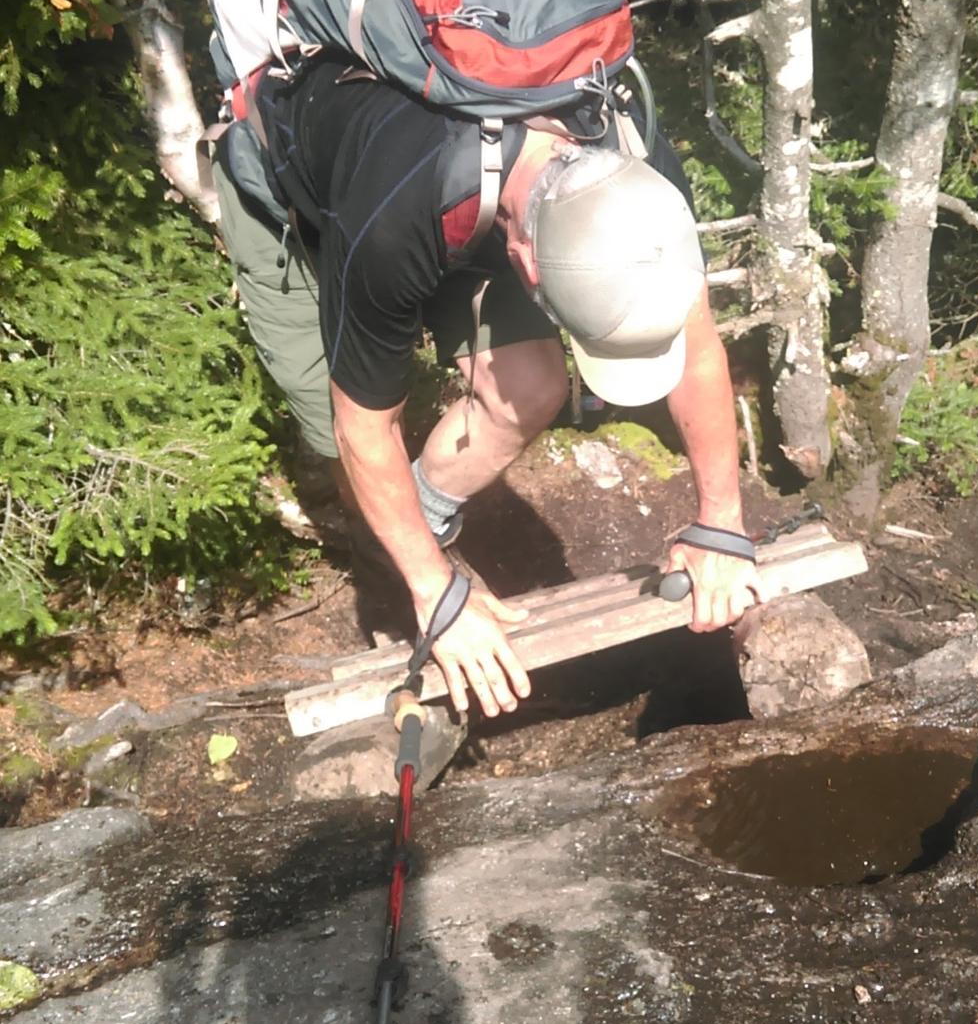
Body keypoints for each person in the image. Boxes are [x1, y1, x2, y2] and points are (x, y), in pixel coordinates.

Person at [214, 54, 763, 719]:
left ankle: (419, 524)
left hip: (475, 197)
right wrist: (437, 597)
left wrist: (722, 526)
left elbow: (697, 344)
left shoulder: (631, 161)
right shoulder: (393, 218)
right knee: (336, 439)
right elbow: (362, 426)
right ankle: (392, 573)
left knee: (530, 387)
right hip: (298, 194)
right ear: (529, 261)